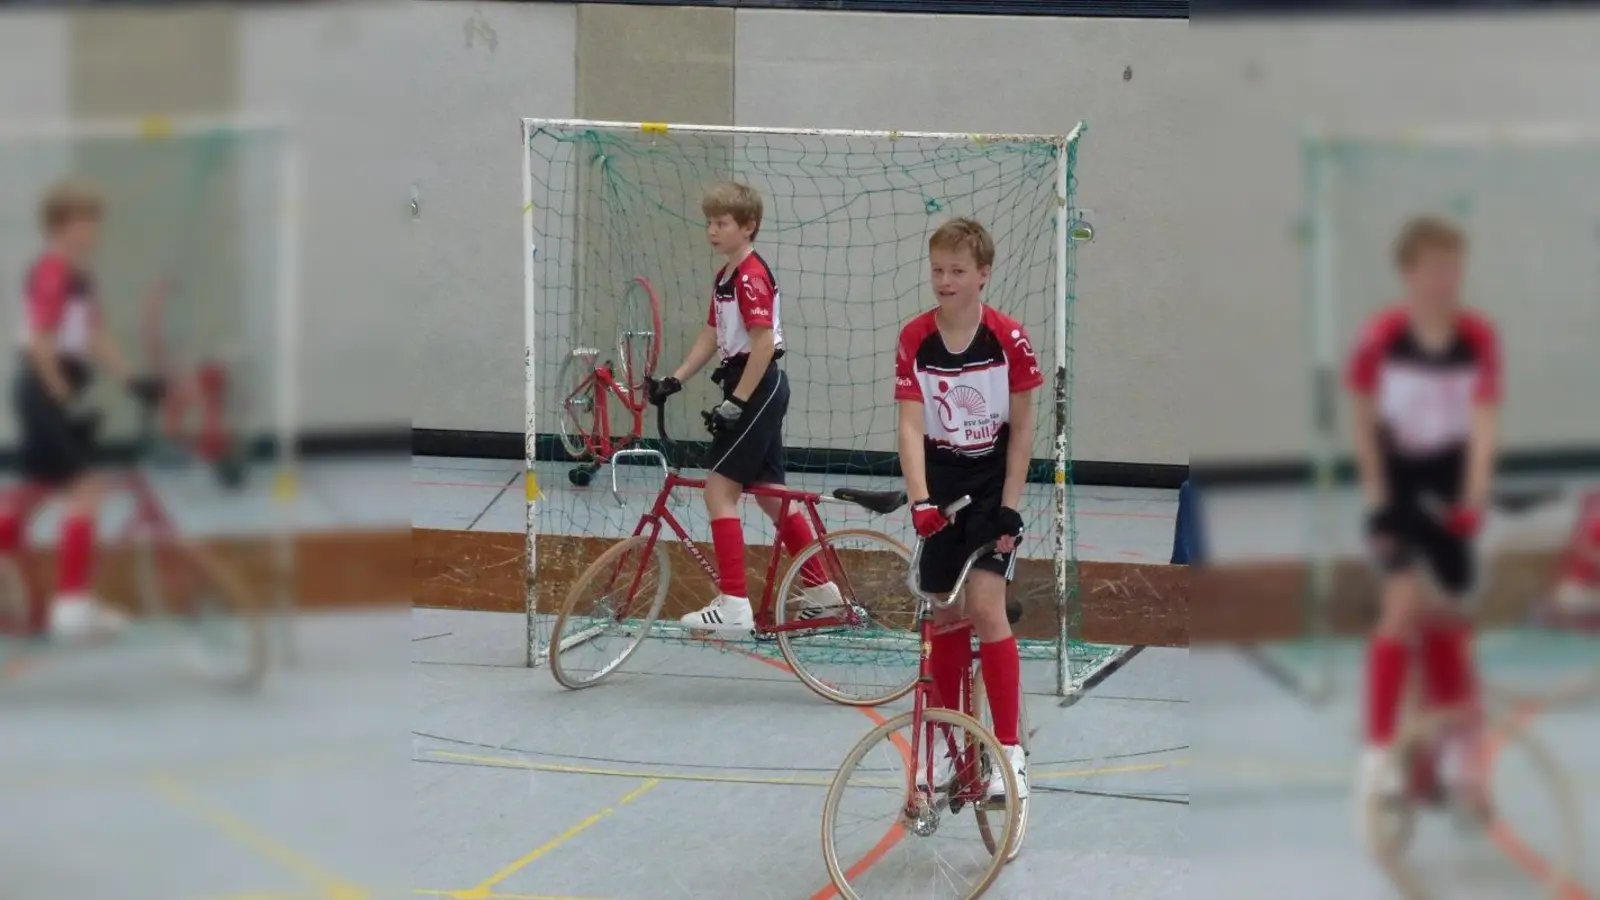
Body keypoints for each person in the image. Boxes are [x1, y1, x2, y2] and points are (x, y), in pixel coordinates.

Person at [1345, 216, 1499, 822]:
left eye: (1453, 270)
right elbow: (1362, 421)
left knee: (1450, 622)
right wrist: (1380, 497)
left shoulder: (1478, 337)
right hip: (1400, 489)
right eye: (1433, 270)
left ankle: (1455, 755)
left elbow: (1484, 422)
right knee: (1403, 604)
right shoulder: (1382, 337)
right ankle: (1379, 755)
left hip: (1451, 487)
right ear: (1409, 275)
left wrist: (1476, 497)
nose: (1445, 281)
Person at [646, 181, 839, 632]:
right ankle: (823, 594)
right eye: (709, 222)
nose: (712, 230)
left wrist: (736, 401)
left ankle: (733, 604)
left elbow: (764, 343)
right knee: (772, 496)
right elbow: (712, 335)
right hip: (749, 385)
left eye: (722, 223)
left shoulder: (751, 277)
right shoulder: (726, 277)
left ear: (748, 226)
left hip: (757, 385)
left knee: (719, 490)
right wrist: (676, 378)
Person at [893, 217, 1040, 805]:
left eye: (957, 271)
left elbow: (1024, 427)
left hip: (988, 489)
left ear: (983, 275)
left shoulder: (1009, 339)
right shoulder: (915, 338)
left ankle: (1009, 750)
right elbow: (908, 423)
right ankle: (947, 743)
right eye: (937, 270)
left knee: (983, 604)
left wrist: (1009, 509)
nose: (945, 281)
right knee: (945, 616)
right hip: (942, 484)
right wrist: (920, 498)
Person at [9, 180, 163, 641]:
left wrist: (134, 380)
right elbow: (40, 340)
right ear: (60, 226)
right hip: (42, 391)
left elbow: (95, 337)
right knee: (86, 487)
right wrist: (58, 396)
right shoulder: (52, 271)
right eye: (83, 221)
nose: (93, 229)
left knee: (40, 486)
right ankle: (72, 606)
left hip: (52, 392)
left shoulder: (81, 275)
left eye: (95, 220)